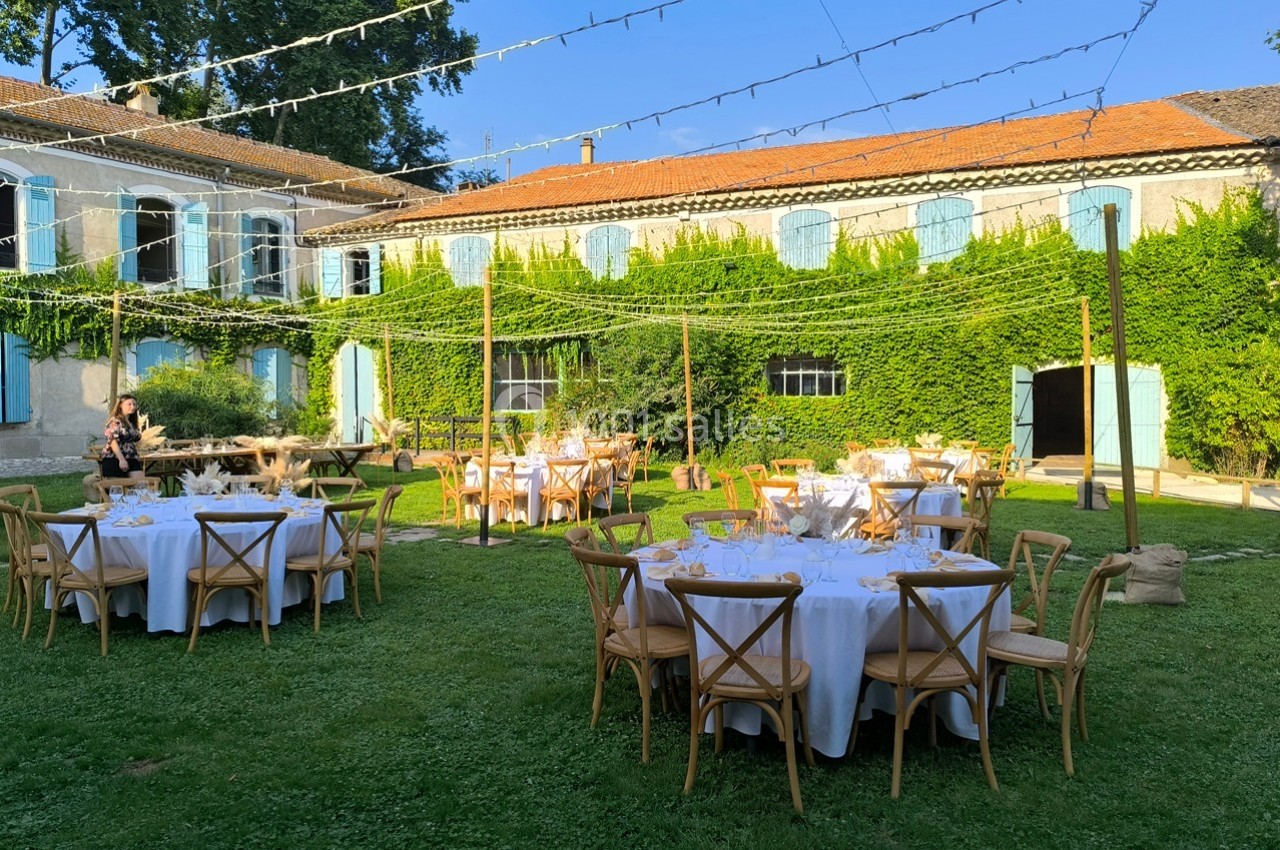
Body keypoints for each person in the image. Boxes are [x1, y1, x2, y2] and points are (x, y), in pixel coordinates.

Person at [102, 394, 146, 481]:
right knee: (119, 489)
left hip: (131, 457)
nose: (132, 406)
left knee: (142, 484)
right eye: (129, 404)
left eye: (134, 404)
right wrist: (121, 459)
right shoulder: (115, 421)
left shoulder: (131, 423)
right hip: (114, 458)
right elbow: (112, 440)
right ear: (120, 406)